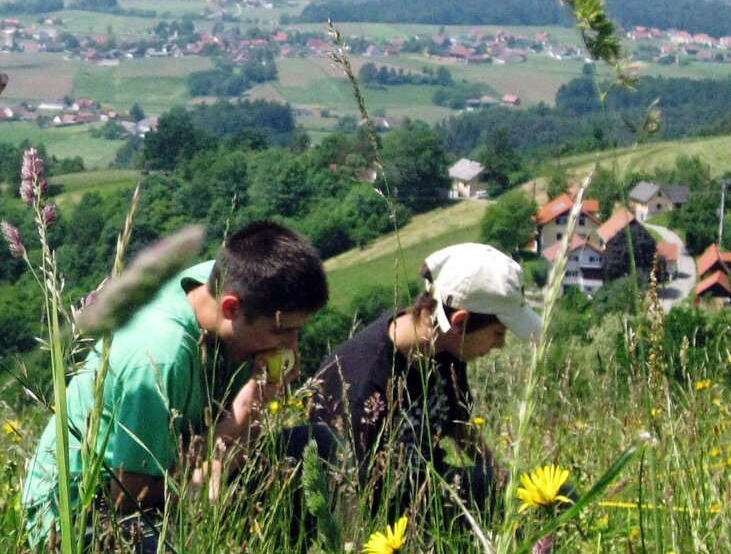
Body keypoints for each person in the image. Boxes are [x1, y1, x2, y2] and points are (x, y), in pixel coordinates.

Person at [22, 221, 330, 551]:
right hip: (82, 511)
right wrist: (242, 419)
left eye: (299, 331)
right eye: (282, 331)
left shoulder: (226, 281)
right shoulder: (162, 355)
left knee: (314, 445)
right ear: (230, 308)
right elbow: (129, 493)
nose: (292, 348)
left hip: (170, 469)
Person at [308, 242, 541, 521]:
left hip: (434, 489)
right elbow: (354, 500)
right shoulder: (363, 385)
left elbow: (458, 424)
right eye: (498, 333)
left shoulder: (445, 350)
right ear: (460, 322)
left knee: (546, 498)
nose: (501, 345)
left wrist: (503, 477)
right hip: (387, 516)